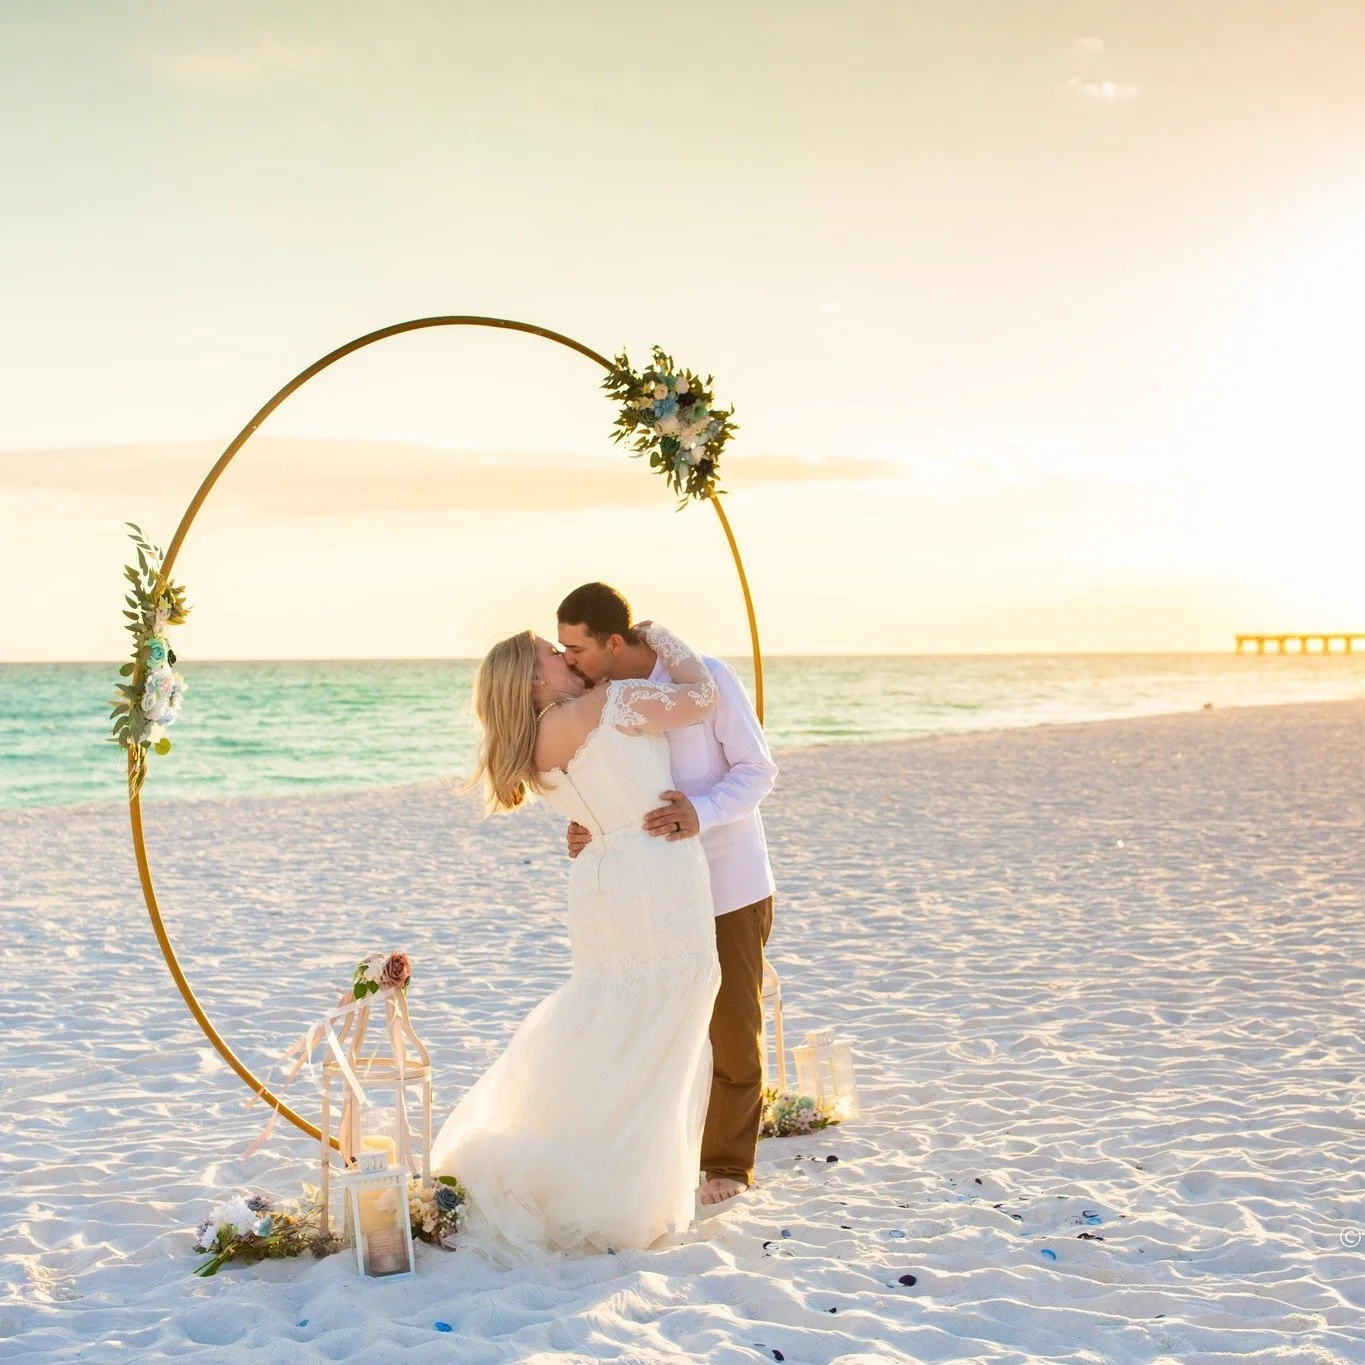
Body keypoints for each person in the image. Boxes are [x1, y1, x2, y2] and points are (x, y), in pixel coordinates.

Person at [431, 621, 722, 1262]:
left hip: (599, 878)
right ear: (535, 679)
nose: (563, 658)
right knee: (668, 1007)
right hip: (656, 871)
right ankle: (623, 1190)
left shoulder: (529, 745)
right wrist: (668, 642)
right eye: (549, 654)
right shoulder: (611, 703)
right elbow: (702, 698)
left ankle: (595, 1160)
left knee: (612, 1011)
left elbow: (593, 805)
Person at [557, 583, 777, 1207]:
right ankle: (662, 1153)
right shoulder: (601, 698)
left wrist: (700, 813)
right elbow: (607, 776)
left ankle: (729, 1166)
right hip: (652, 891)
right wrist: (590, 822)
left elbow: (758, 769)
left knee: (732, 1029)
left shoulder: (705, 679)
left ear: (615, 642)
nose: (568, 660)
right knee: (661, 1025)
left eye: (576, 648)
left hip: (729, 881)